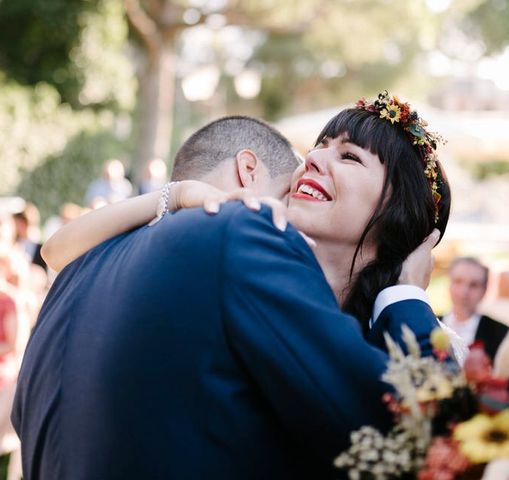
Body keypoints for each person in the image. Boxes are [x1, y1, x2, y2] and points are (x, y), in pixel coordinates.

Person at [14, 95, 451, 479]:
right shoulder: (245, 233)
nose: (313, 159)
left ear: (399, 217)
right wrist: (407, 294)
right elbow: (422, 424)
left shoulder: (82, 269)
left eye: (350, 157)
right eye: (319, 147)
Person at [442, 257, 509, 361]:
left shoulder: (501, 333)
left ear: (484, 290)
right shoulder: (429, 324)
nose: (464, 292)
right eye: (458, 281)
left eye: (474, 285)